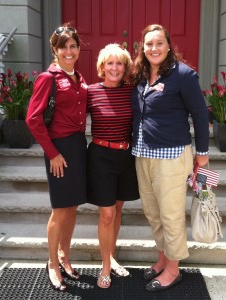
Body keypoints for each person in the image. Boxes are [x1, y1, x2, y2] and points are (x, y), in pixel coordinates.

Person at [130, 24, 209, 292]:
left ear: (168, 45)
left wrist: (203, 154)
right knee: (154, 213)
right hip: (143, 154)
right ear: (143, 47)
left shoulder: (183, 75)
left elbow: (200, 115)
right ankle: (163, 259)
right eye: (149, 43)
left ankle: (174, 270)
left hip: (172, 155)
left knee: (171, 214)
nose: (154, 48)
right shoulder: (141, 75)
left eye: (159, 43)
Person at [26, 25, 88, 292]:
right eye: (64, 46)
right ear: (55, 49)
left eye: (73, 45)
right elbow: (32, 119)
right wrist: (52, 153)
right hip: (58, 150)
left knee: (73, 207)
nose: (69, 51)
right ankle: (52, 262)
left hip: (77, 146)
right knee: (60, 209)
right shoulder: (47, 78)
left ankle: (65, 256)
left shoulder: (79, 77)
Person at [87, 43, 139, 289]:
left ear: (125, 67)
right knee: (106, 213)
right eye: (110, 63)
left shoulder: (132, 92)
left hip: (125, 157)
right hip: (100, 157)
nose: (115, 68)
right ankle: (105, 266)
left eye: (119, 63)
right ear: (102, 66)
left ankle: (111, 256)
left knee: (118, 211)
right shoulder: (91, 91)